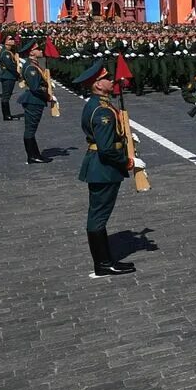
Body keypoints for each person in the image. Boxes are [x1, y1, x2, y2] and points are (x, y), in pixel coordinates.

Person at [75, 62, 141, 278]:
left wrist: (125, 138)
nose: (111, 81)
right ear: (97, 84)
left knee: (98, 214)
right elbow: (105, 149)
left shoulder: (97, 104)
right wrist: (126, 161)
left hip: (99, 166)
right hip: (103, 168)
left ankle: (104, 261)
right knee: (98, 216)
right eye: (107, 78)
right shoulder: (102, 110)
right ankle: (103, 264)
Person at [18, 40, 58, 164]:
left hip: (34, 100)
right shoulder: (31, 67)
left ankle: (35, 154)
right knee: (30, 129)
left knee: (32, 128)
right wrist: (48, 95)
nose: (41, 51)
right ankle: (32, 156)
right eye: (38, 49)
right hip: (33, 100)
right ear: (32, 52)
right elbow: (35, 87)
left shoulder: (34, 65)